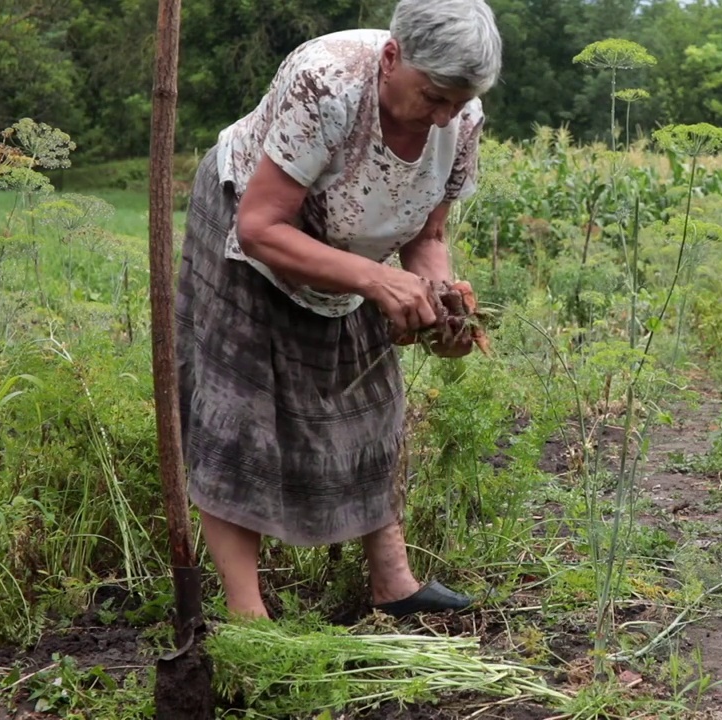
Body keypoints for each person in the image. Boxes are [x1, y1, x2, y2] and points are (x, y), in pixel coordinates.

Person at [174, 0, 502, 621]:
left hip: (356, 252)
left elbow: (428, 237)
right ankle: (252, 621)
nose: (441, 119)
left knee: (375, 404)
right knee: (239, 418)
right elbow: (260, 226)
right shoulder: (325, 83)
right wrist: (376, 280)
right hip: (252, 236)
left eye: (456, 105)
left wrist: (439, 301)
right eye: (432, 97)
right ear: (390, 58)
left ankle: (393, 585)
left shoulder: (460, 119)